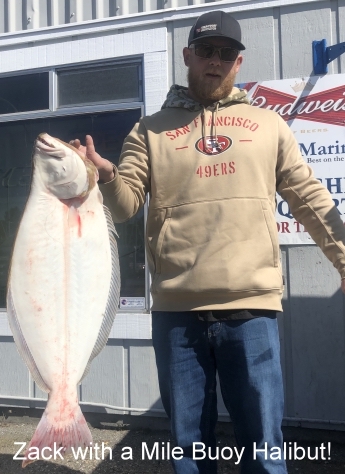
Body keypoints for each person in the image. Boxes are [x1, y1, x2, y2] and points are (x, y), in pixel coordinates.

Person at [71, 10, 345, 474]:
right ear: (187, 56)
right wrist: (105, 177)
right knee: (190, 452)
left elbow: (311, 200)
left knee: (263, 450)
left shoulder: (269, 126)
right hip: (177, 313)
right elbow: (124, 206)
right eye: (205, 51)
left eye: (226, 53)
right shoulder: (148, 130)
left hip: (251, 308)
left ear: (238, 63)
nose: (214, 61)